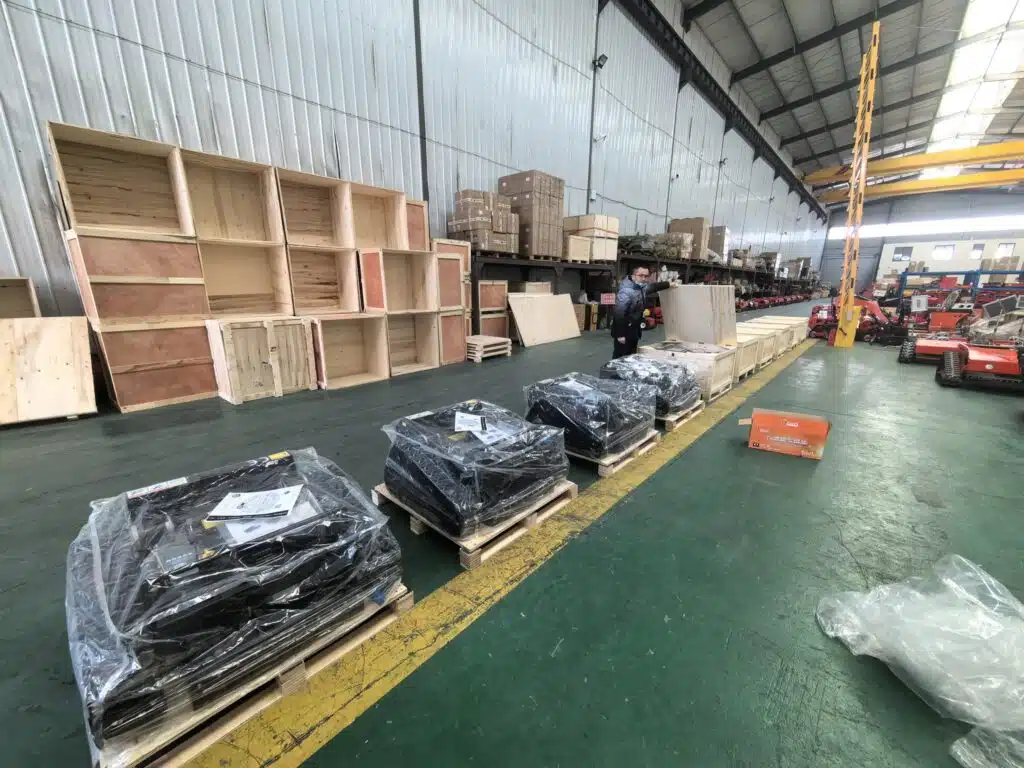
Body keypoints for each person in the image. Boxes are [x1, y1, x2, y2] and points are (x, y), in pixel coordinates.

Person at [610, 266, 675, 359]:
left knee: (630, 355)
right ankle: (614, 373)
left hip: (634, 328)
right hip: (624, 330)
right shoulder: (626, 291)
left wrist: (669, 284)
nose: (644, 279)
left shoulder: (641, 287)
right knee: (620, 356)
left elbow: (653, 287)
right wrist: (620, 335)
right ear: (633, 276)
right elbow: (619, 314)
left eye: (646, 276)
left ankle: (627, 372)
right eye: (641, 275)